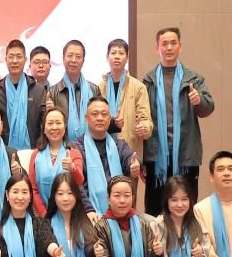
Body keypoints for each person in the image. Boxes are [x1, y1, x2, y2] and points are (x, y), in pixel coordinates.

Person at [142, 27, 215, 214]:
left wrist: (199, 101)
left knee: (186, 209)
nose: (169, 48)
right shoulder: (148, 81)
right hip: (156, 157)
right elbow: (142, 118)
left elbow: (208, 108)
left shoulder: (194, 79)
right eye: (164, 44)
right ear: (157, 48)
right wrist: (143, 159)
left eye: (173, 43)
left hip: (185, 156)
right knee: (155, 211)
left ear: (180, 46)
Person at [91, 175, 164, 257]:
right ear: (108, 199)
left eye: (127, 195)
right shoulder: (101, 227)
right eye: (117, 196)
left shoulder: (142, 224)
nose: (122, 200)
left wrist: (157, 254)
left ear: (133, 198)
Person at [73, 97, 141, 215]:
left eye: (104, 114)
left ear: (110, 119)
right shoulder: (77, 147)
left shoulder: (119, 145)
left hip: (120, 210)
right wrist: (89, 210)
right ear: (86, 118)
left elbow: (129, 160)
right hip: (89, 214)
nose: (100, 118)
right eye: (95, 114)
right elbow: (76, 183)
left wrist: (133, 166)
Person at [151, 176, 210, 257]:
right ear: (166, 201)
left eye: (184, 199)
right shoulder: (156, 226)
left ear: (190, 200)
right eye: (174, 200)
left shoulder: (198, 226)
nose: (179, 204)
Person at [45, 172, 98, 257]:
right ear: (54, 196)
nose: (65, 198)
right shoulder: (46, 224)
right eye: (60, 193)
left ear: (77, 195)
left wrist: (99, 253)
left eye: (70, 193)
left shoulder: (87, 223)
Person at [0, 39, 47, 151]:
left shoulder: (38, 91)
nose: (15, 61)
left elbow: (44, 125)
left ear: (25, 60)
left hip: (33, 152)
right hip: (4, 153)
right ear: (6, 60)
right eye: (11, 57)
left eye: (19, 57)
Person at [99, 38, 152, 160]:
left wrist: (144, 127)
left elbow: (146, 119)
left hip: (130, 151)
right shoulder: (99, 88)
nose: (117, 57)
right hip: (103, 151)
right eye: (113, 53)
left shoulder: (138, 87)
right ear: (107, 57)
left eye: (121, 53)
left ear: (127, 58)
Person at [27, 108, 84, 217]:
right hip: (43, 216)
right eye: (50, 123)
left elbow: (79, 182)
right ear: (44, 129)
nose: (54, 127)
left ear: (65, 127)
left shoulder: (74, 153)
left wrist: (72, 168)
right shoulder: (36, 155)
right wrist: (45, 214)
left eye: (58, 123)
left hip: (70, 214)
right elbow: (33, 189)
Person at [47, 40, 101, 142]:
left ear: (83, 61)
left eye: (78, 56)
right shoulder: (53, 92)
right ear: (63, 58)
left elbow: (100, 119)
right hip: (63, 146)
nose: (73, 60)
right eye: (70, 55)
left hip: (91, 146)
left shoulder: (94, 90)